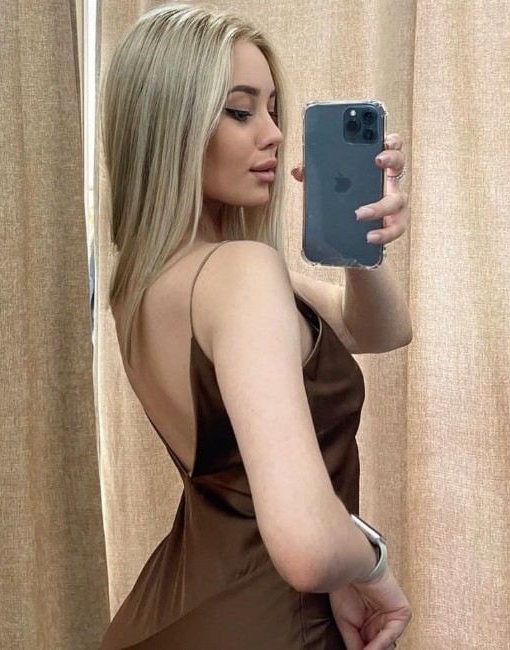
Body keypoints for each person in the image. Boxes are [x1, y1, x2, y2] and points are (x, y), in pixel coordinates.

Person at [99, 3, 412, 649]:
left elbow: (379, 331)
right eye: (240, 111)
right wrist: (374, 566)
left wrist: (356, 240)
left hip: (177, 611)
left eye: (273, 109)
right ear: (171, 125)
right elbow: (308, 549)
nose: (274, 133)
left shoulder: (150, 279)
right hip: (268, 621)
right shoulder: (239, 274)